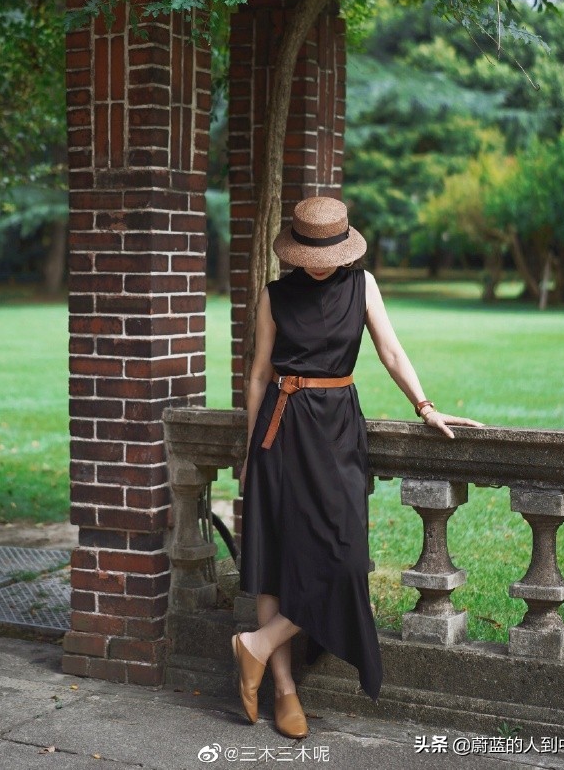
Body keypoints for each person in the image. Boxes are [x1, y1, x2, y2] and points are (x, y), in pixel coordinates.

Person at [230, 196, 486, 739]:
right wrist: (250, 450)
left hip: (339, 430)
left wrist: (425, 406)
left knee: (345, 558)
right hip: (282, 429)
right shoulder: (275, 295)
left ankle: (256, 644)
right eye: (310, 254)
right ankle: (284, 689)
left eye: (327, 254)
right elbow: (258, 375)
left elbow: (391, 352)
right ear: (295, 252)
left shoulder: (362, 286)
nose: (319, 264)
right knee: (277, 558)